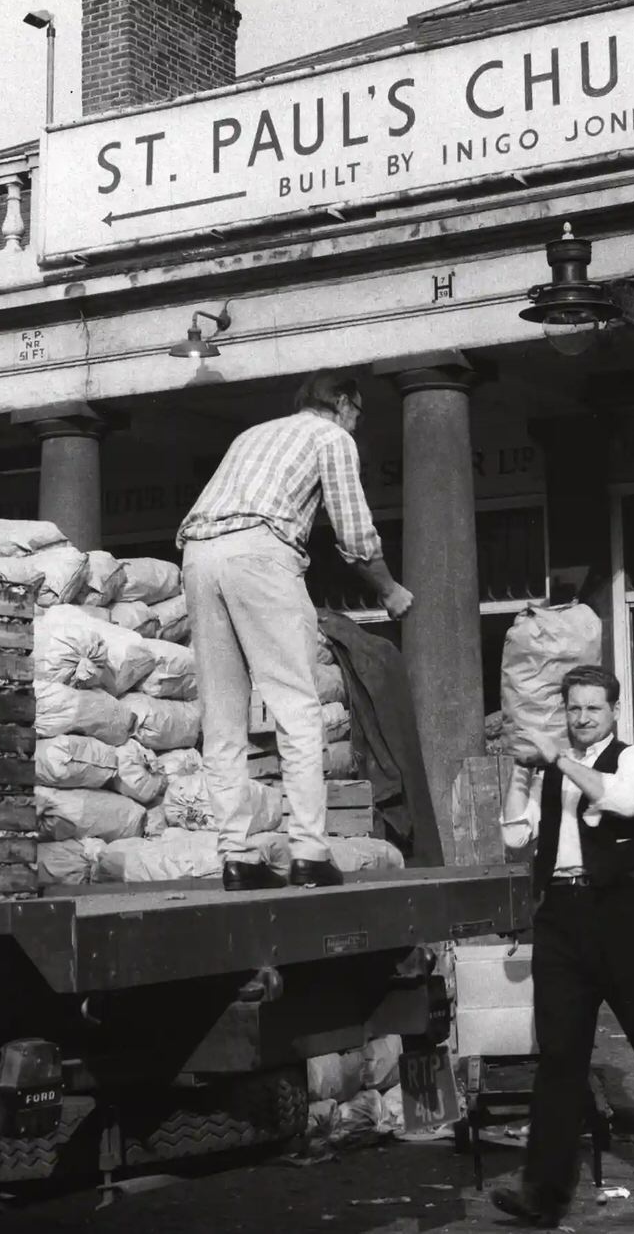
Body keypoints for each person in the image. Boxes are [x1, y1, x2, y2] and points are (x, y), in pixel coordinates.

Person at [176, 371, 412, 891]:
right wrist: (390, 591)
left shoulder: (252, 434)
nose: (358, 422)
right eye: (359, 411)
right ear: (345, 403)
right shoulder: (332, 436)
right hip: (261, 551)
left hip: (198, 554)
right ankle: (308, 852)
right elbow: (355, 534)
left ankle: (236, 857)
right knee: (297, 707)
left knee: (222, 716)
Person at [493, 665, 634, 1226]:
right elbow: (516, 837)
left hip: (623, 915)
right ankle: (544, 1192)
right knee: (560, 1057)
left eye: (592, 708)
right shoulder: (553, 770)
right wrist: (522, 776)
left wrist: (558, 760)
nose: (582, 718)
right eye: (573, 708)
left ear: (614, 711)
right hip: (562, 916)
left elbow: (623, 803)